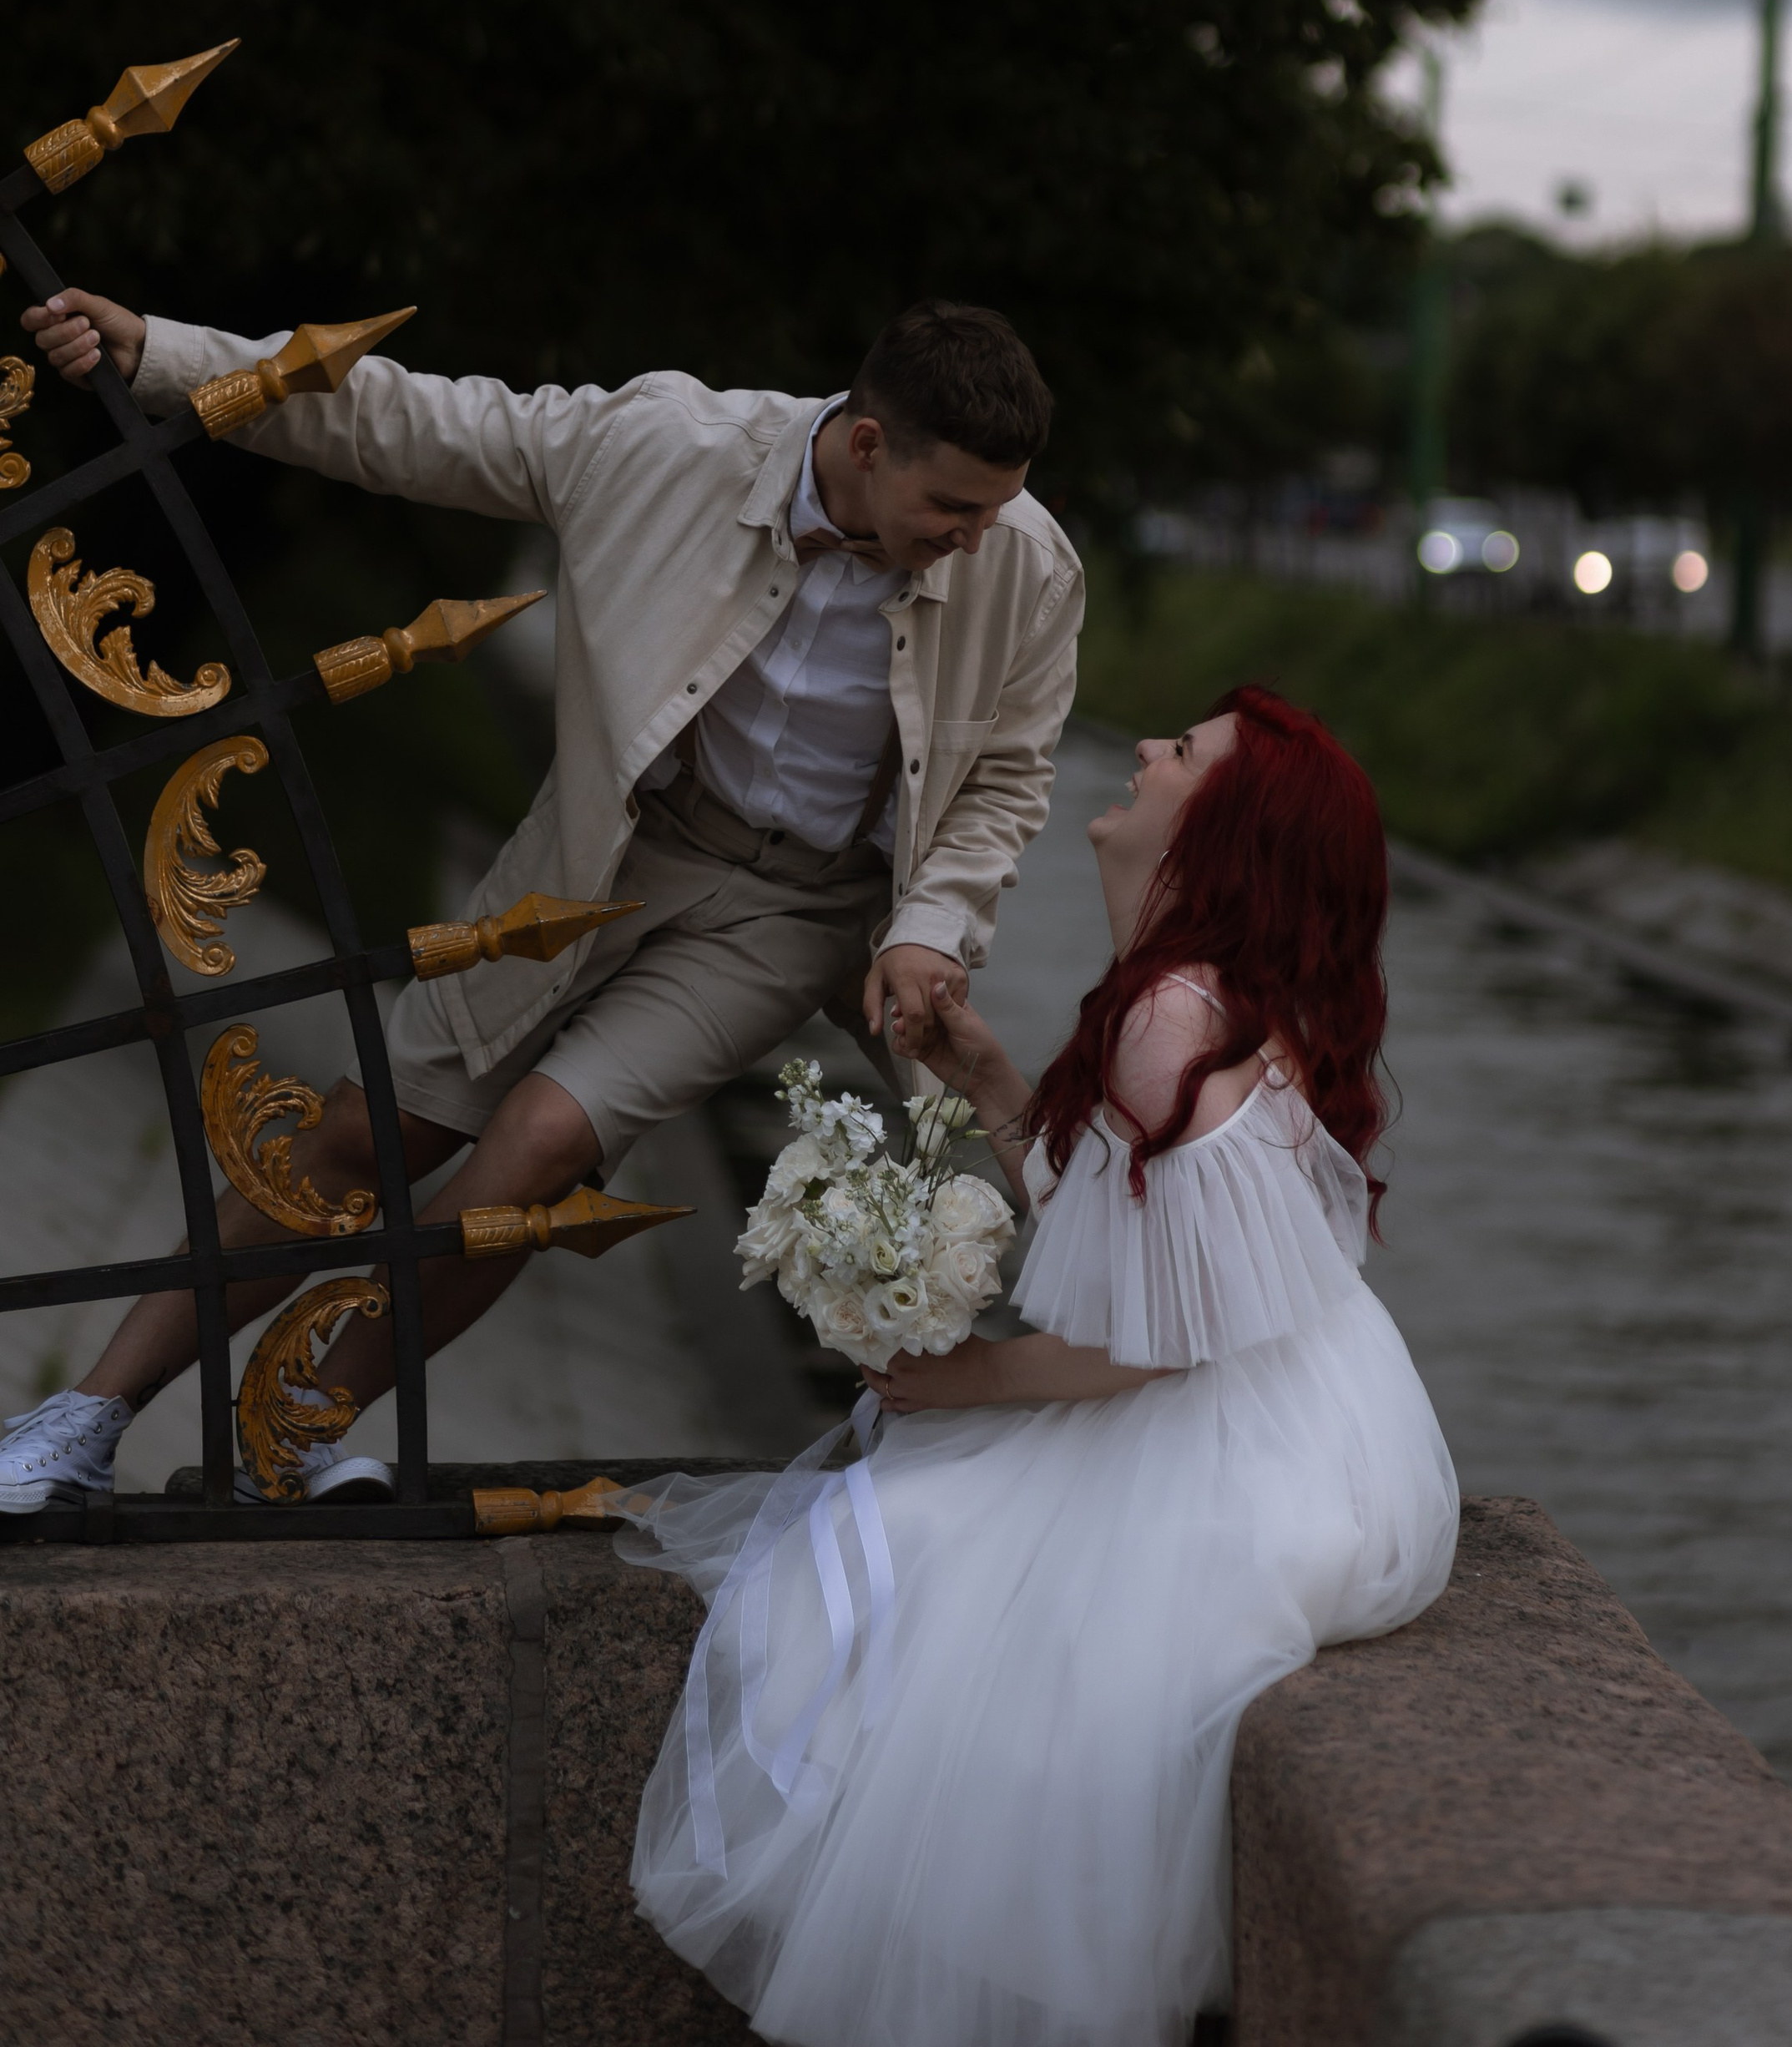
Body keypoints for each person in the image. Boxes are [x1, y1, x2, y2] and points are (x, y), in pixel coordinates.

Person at [0, 287, 1079, 1512]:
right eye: (954, 507)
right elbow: (416, 423)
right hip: (602, 849)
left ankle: (286, 1438)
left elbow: (1006, 778)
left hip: (793, 911)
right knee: (369, 1135)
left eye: (998, 508)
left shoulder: (1029, 564)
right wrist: (173, 357)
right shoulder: (667, 443)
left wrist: (931, 925)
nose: (979, 537)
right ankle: (83, 1417)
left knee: (540, 1152)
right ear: (867, 442)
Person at [619, 685, 1460, 2047]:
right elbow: (1138, 1245)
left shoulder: (1171, 1016)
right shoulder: (1212, 1000)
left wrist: (946, 1384)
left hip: (1228, 1436)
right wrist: (1001, 1092)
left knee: (866, 1579)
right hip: (1322, 1407)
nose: (1142, 752)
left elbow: (1146, 1350)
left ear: (1223, 829)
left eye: (1181, 754)